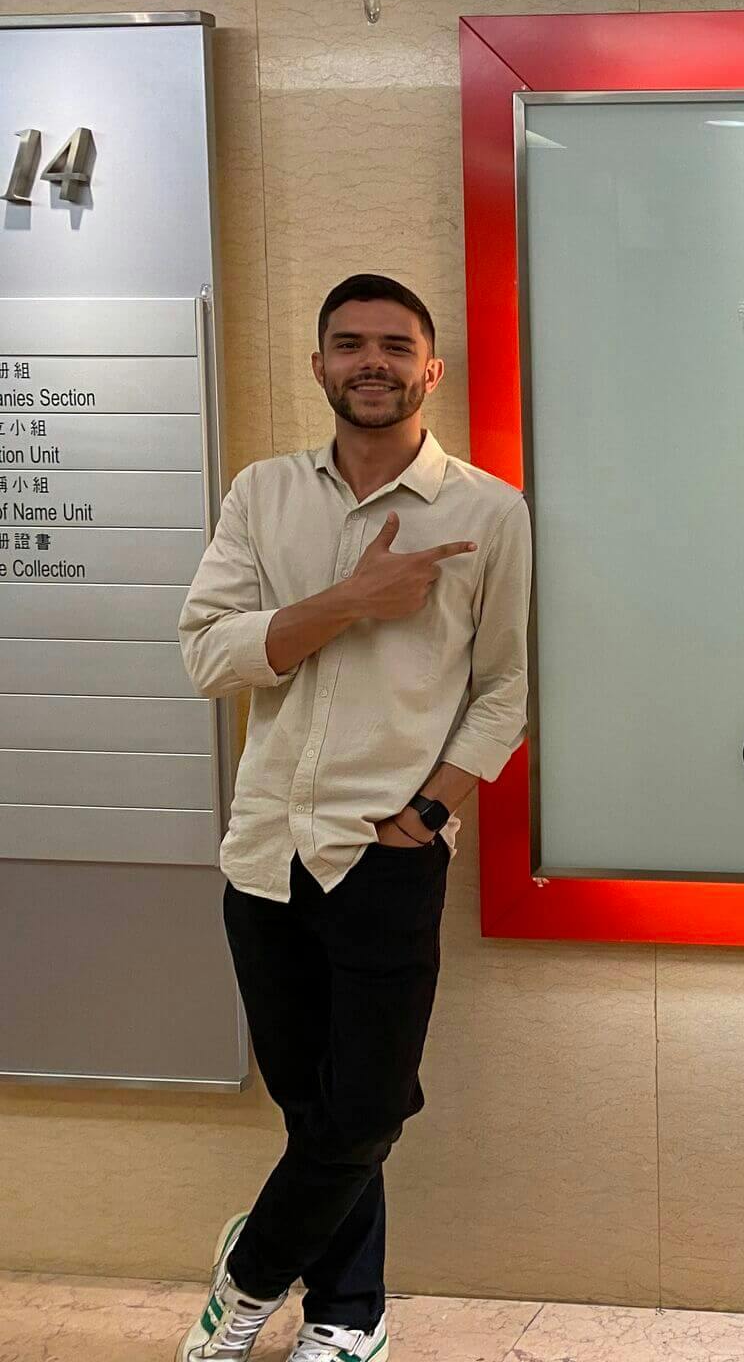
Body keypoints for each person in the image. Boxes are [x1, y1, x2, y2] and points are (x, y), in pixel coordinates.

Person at [175, 273, 532, 1362]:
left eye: (393, 345)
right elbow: (207, 655)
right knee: (316, 1114)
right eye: (348, 344)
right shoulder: (262, 496)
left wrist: (429, 811)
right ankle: (346, 1315)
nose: (369, 362)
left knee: (368, 1107)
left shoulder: (486, 512)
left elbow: (509, 688)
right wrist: (347, 604)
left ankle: (247, 1276)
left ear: (431, 368)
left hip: (385, 852)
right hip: (264, 852)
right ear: (318, 364)